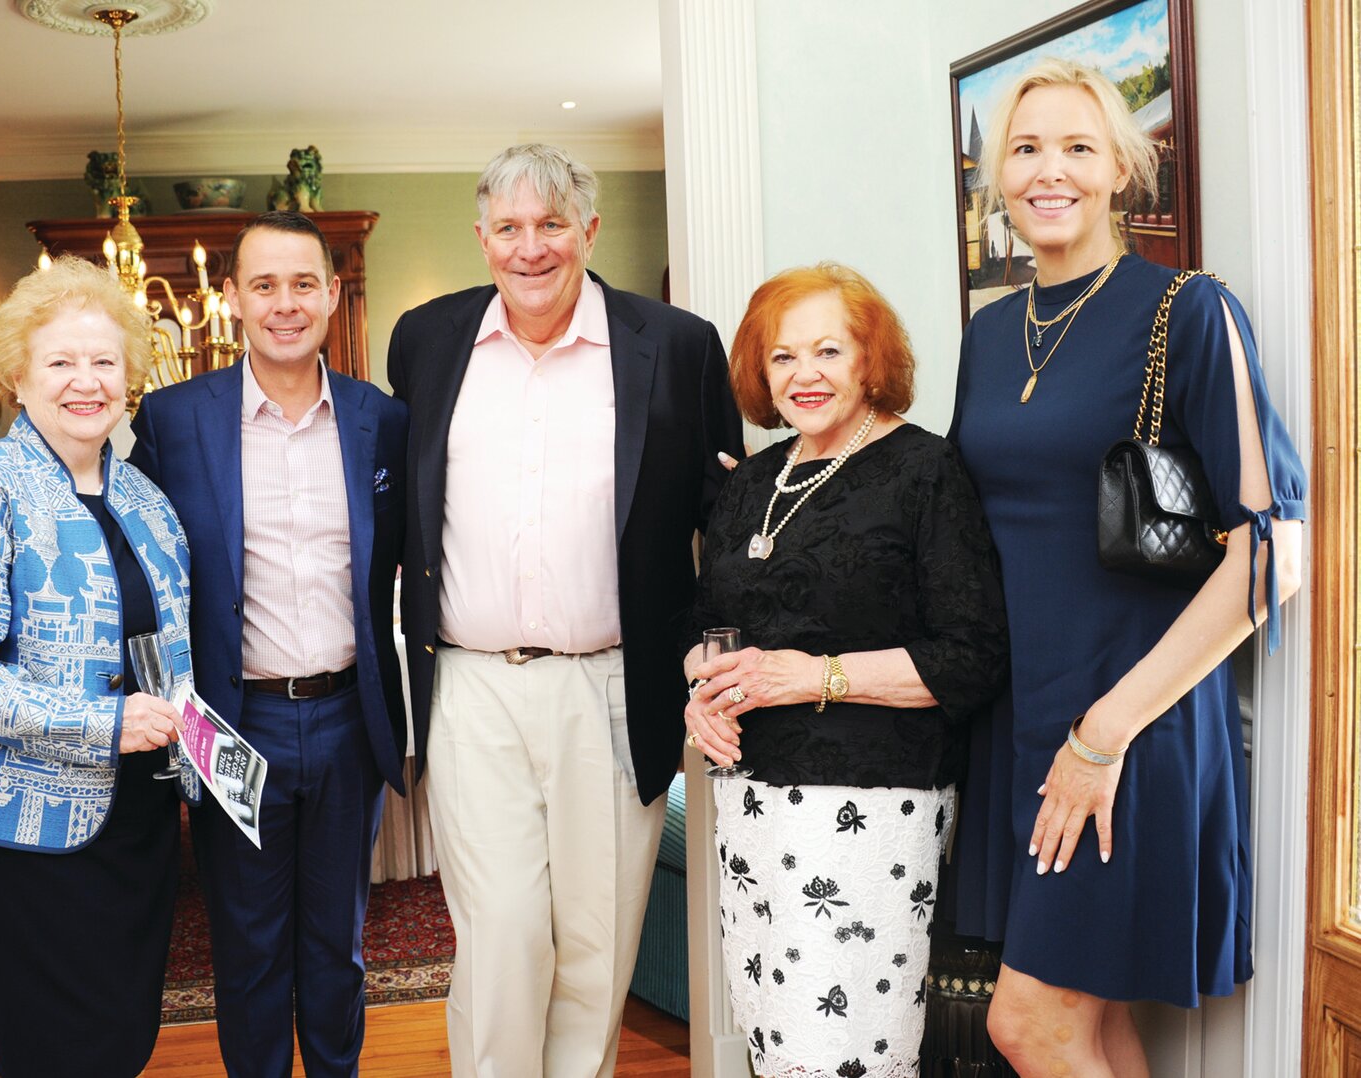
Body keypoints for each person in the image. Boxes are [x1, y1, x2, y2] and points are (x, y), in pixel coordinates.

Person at [947, 58, 1305, 1076]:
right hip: (1018, 723)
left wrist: (1104, 733)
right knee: (1090, 1025)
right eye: (1023, 149)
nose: (1046, 169)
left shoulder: (1188, 311)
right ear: (996, 177)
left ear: (1119, 168)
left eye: (1075, 146)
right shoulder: (986, 334)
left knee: (1029, 1023)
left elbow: (1268, 557)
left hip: (1128, 720)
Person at [387, 142, 744, 1077]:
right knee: (502, 933)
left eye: (551, 225)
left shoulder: (675, 345)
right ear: (481, 238)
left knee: (594, 946)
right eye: (509, 228)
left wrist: (717, 660)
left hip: (618, 688)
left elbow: (728, 523)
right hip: (472, 686)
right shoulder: (427, 341)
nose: (530, 248)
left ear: (588, 228)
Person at [682, 263, 1008, 1077]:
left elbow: (970, 656)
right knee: (776, 1042)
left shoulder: (923, 471)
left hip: (869, 810)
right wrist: (703, 690)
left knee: (843, 1053)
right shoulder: (753, 479)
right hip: (750, 804)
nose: (806, 375)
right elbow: (705, 624)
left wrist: (811, 677)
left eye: (829, 350)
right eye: (783, 357)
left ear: (871, 359)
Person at [129, 210, 408, 1078]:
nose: (284, 304)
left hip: (344, 720)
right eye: (263, 285)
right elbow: (140, 570)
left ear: (331, 294)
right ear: (233, 299)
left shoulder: (380, 420)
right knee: (246, 951)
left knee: (339, 946)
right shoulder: (175, 421)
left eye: (302, 284)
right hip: (229, 721)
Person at [0, 255, 194, 1077]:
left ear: (129, 378)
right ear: (18, 378)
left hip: (135, 819)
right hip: (24, 833)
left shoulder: (145, 499)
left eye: (104, 361)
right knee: (54, 1050)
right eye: (61, 361)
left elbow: (164, 648)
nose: (85, 381)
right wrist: (106, 722)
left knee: (122, 1037)